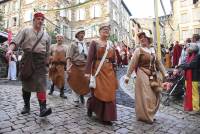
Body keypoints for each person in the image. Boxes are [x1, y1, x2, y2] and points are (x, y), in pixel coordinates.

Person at [6, 12, 52, 117]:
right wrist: (10, 50)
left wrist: (47, 61)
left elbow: (48, 51)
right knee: (26, 84)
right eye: (38, 19)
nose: (40, 21)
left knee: (41, 85)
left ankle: (43, 108)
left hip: (40, 62)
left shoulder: (46, 35)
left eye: (42, 19)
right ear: (34, 20)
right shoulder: (26, 30)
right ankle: (26, 106)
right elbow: (15, 42)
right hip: (28, 59)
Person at [124, 32, 167, 124]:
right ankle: (146, 116)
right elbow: (132, 63)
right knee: (147, 96)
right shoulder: (138, 50)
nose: (142, 39)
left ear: (148, 39)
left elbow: (158, 63)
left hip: (153, 75)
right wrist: (128, 76)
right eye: (141, 38)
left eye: (144, 37)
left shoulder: (152, 50)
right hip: (142, 73)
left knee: (156, 95)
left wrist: (165, 74)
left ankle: (150, 114)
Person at [85, 24, 118, 125]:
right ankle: (91, 107)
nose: (106, 31)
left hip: (109, 71)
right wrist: (87, 72)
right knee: (98, 91)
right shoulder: (94, 42)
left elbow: (114, 58)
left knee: (109, 93)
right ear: (99, 31)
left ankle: (107, 116)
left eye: (108, 29)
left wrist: (115, 66)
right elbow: (90, 58)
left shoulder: (111, 44)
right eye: (104, 29)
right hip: (98, 70)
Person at [66, 29, 89, 106]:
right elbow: (68, 56)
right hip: (75, 66)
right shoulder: (73, 44)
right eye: (80, 33)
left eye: (83, 33)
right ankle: (76, 100)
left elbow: (88, 56)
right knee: (75, 82)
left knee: (84, 82)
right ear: (77, 35)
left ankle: (82, 95)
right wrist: (68, 67)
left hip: (84, 66)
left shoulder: (85, 44)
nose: (82, 35)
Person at [179, 45, 200, 112]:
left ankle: (196, 108)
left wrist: (182, 66)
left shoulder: (197, 57)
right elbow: (185, 64)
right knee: (187, 93)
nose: (187, 50)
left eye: (189, 49)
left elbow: (190, 65)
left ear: (193, 50)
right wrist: (183, 65)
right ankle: (189, 106)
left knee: (194, 93)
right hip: (188, 78)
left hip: (194, 78)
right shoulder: (189, 56)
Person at [48, 34, 67, 99]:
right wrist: (51, 59)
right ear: (56, 39)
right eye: (58, 37)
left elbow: (67, 56)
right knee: (53, 78)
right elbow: (49, 54)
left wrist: (65, 62)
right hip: (54, 65)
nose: (59, 39)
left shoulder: (65, 47)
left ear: (63, 39)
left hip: (61, 65)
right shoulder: (52, 46)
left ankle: (62, 93)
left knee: (62, 79)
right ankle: (51, 89)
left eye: (61, 38)